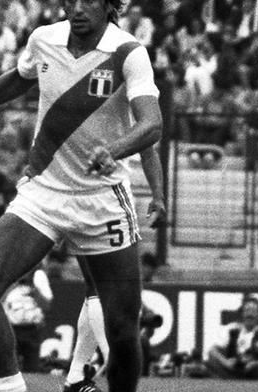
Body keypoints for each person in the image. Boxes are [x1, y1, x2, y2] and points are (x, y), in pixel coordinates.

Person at [0, 0, 161, 392]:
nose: (78, 8)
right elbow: (20, 77)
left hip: (103, 200)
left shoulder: (128, 53)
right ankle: (11, 389)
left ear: (109, 6)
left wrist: (116, 151)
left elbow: (152, 125)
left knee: (122, 331)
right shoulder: (44, 39)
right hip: (43, 193)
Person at [63, 144, 167, 392]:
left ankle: (76, 377)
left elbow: (148, 144)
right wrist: (158, 196)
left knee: (95, 287)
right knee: (101, 287)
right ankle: (113, 361)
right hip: (101, 195)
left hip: (67, 189)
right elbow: (148, 143)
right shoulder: (125, 107)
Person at [205, 296, 258, 380]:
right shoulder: (231, 328)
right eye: (247, 311)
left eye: (253, 311)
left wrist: (256, 364)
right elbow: (213, 350)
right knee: (211, 360)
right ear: (241, 313)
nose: (250, 315)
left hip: (256, 369)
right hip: (232, 367)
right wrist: (226, 362)